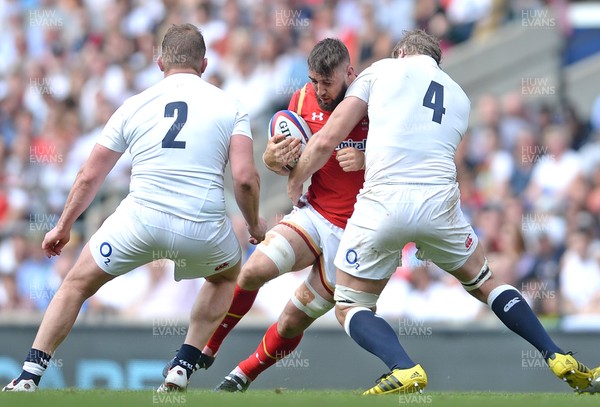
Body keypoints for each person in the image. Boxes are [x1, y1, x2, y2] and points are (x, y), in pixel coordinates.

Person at [288, 29, 600, 395]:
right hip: (440, 202)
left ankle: (403, 368)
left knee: (350, 304)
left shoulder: (380, 70)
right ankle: (555, 353)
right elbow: (427, 144)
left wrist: (296, 181)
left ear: (402, 52)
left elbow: (327, 139)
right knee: (486, 282)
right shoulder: (460, 96)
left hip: (384, 200)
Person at [3, 23, 266, 392]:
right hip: (202, 225)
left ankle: (30, 374)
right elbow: (244, 178)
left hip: (140, 220)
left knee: (75, 284)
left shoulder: (134, 104)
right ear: (204, 64)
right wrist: (254, 224)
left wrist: (62, 226)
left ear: (160, 62)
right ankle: (184, 363)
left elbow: (88, 175)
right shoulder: (230, 105)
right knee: (225, 277)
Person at [194, 38, 368, 392]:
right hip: (314, 212)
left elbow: (402, 155)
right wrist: (274, 158)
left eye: (327, 83)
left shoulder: (372, 102)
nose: (319, 91)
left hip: (358, 232)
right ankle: (211, 345)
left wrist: (368, 158)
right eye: (314, 81)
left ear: (349, 72)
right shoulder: (301, 99)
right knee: (253, 270)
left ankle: (242, 375)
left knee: (291, 321)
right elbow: (281, 163)